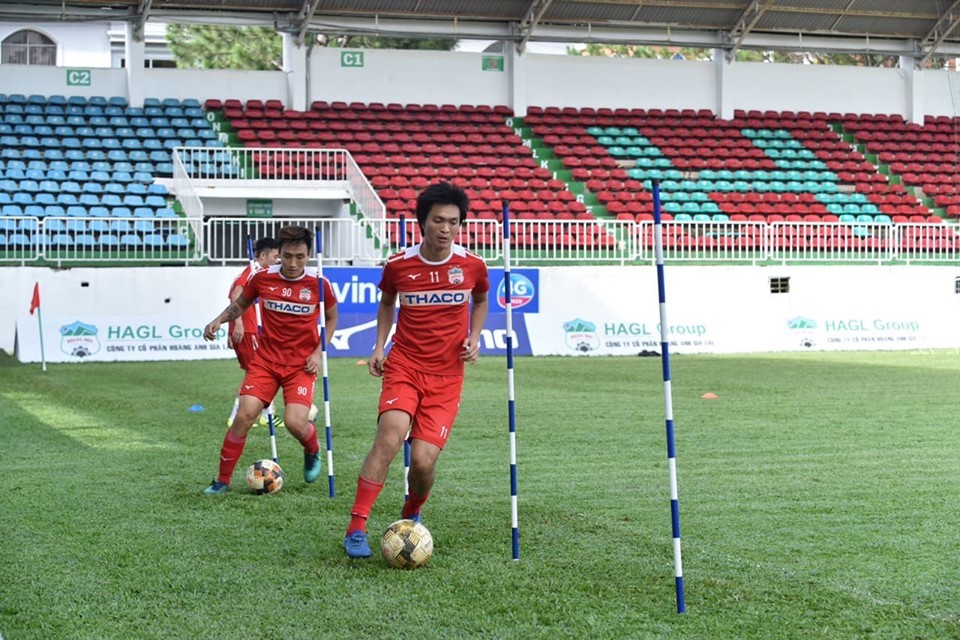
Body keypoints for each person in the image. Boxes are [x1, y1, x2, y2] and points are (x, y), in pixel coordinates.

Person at [343, 181, 489, 558]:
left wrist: (475, 337)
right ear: (422, 222)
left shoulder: (472, 265)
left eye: (453, 222)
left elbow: (482, 298)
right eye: (438, 220)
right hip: (405, 365)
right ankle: (356, 527)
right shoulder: (398, 265)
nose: (446, 229)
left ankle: (410, 516)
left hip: (447, 375)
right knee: (390, 436)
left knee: (423, 462)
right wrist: (379, 346)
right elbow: (387, 303)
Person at [202, 225, 338, 495]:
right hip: (265, 362)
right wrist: (218, 320)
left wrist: (317, 352)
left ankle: (312, 450)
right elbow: (240, 304)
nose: (293, 263)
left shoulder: (319, 284)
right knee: (244, 415)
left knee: (295, 422)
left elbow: (332, 318)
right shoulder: (262, 277)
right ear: (279, 253)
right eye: (287, 256)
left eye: (300, 256)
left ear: (309, 254)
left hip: (300, 365)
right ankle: (222, 480)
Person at [225, 236, 280, 428]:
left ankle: (267, 414)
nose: (277, 260)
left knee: (263, 373)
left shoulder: (258, 272)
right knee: (256, 374)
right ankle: (236, 416)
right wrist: (238, 324)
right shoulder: (252, 272)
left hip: (251, 331)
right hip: (248, 331)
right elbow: (235, 295)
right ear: (263, 255)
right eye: (275, 256)